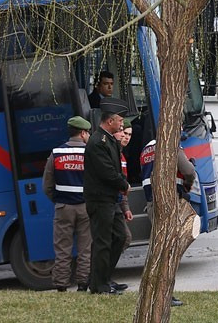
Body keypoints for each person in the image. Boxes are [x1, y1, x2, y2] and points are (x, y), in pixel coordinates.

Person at [140, 136, 196, 307]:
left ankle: (152, 292)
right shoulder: (170, 144)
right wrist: (188, 183)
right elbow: (188, 171)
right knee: (167, 251)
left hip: (152, 203)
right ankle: (164, 294)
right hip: (169, 203)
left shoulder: (146, 148)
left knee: (158, 249)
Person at [84, 97, 130, 295]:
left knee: (120, 237)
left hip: (111, 199)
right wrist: (124, 184)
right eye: (120, 121)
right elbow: (107, 172)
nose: (121, 124)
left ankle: (105, 277)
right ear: (110, 121)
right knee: (102, 242)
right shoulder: (97, 142)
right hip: (100, 199)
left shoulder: (109, 140)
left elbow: (115, 168)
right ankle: (98, 285)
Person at [43, 116, 93, 292]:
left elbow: (47, 184)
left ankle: (61, 285)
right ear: (82, 133)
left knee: (62, 248)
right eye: (87, 132)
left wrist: (58, 200)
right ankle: (83, 283)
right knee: (85, 248)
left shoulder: (56, 153)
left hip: (63, 207)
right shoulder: (90, 153)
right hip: (86, 207)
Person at [113, 121, 133, 256]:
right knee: (124, 237)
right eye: (124, 133)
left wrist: (125, 208)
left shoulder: (122, 155)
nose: (126, 137)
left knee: (124, 238)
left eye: (129, 135)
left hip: (118, 203)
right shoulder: (113, 153)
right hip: (110, 203)